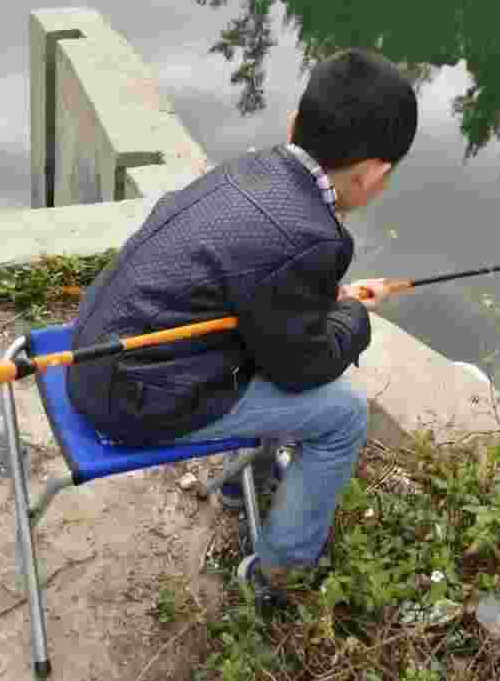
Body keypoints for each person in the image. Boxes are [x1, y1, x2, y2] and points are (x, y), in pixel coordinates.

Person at [67, 47, 419, 601]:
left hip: (90, 353)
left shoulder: (247, 171)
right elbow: (303, 368)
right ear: (375, 173)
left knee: (272, 353)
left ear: (294, 125)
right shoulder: (313, 237)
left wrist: (322, 300)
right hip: (130, 400)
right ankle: (280, 575)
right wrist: (353, 316)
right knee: (344, 416)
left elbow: (259, 292)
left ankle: (245, 483)